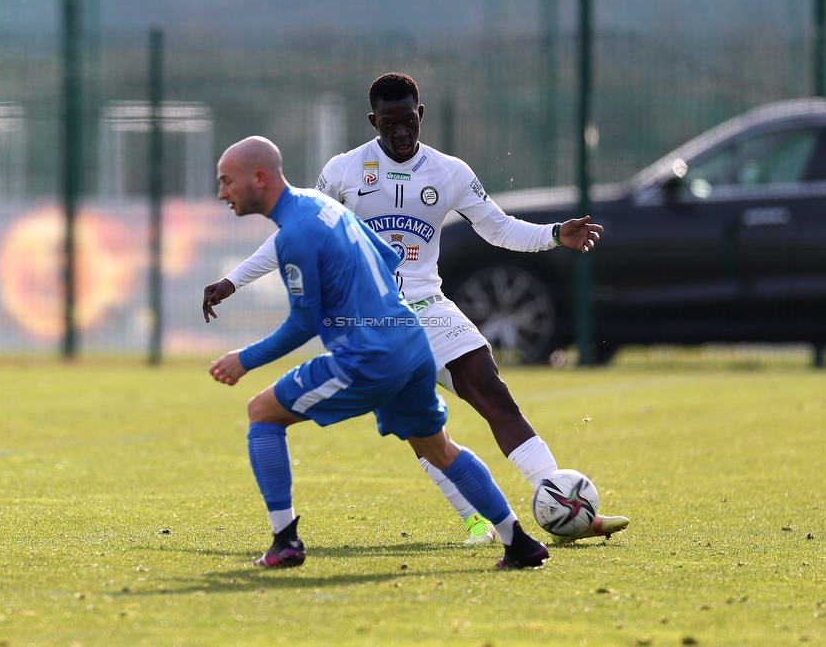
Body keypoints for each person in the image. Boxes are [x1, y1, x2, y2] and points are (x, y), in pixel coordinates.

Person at [204, 73, 628, 545]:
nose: (401, 133)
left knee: (492, 392)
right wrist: (233, 280)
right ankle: (477, 522)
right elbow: (294, 232)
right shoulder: (344, 170)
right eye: (390, 124)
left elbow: (499, 228)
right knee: (420, 426)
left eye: (409, 121)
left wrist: (553, 234)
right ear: (373, 122)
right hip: (375, 319)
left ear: (420, 115)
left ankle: (559, 499)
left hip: (431, 305)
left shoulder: (450, 171)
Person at [209, 135, 548, 569]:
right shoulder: (323, 206)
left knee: (262, 412)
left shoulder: (296, 232)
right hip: (411, 343)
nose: (222, 193)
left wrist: (244, 359)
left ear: (258, 178)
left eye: (226, 182)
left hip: (368, 356)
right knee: (439, 448)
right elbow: (389, 256)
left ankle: (285, 541)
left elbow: (304, 322)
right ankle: (518, 543)